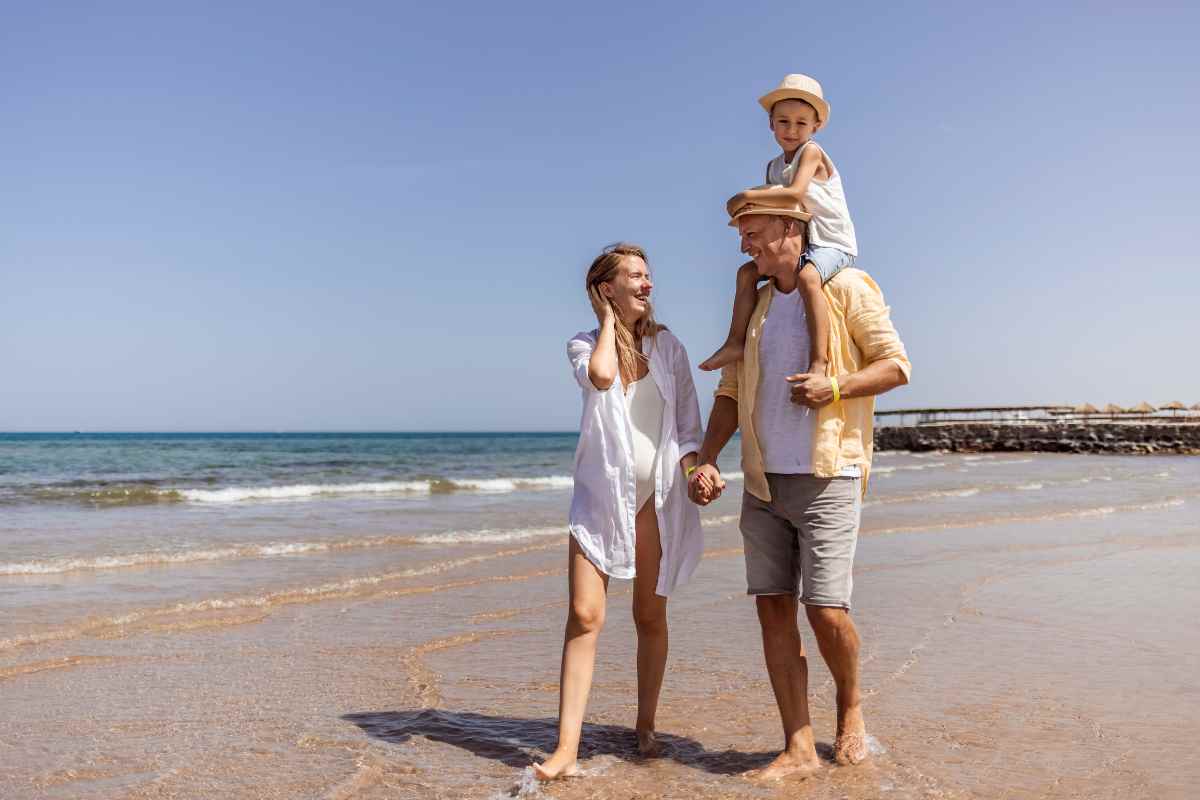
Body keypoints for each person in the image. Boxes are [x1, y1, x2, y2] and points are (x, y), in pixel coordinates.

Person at [689, 196, 910, 780]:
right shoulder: (757, 303)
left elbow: (896, 365)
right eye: (741, 235)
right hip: (762, 481)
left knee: (826, 610)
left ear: (790, 227)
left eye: (753, 233)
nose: (744, 245)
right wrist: (706, 459)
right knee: (771, 608)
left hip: (829, 473)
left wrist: (833, 388)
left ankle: (851, 707)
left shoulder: (847, 286)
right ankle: (798, 745)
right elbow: (732, 391)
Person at [535, 243, 706, 780]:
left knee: (649, 616)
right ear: (608, 288)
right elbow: (603, 376)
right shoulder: (583, 343)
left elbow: (687, 424)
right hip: (599, 502)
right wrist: (609, 321)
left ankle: (646, 726)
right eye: (634, 275)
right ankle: (567, 749)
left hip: (654, 501)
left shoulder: (668, 347)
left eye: (649, 274)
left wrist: (697, 469)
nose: (647, 282)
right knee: (585, 616)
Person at [701, 74, 858, 379]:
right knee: (746, 274)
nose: (792, 130)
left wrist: (746, 195)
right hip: (805, 241)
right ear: (771, 123)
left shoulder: (811, 152)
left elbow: (796, 194)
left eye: (801, 123)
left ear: (816, 127)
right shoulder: (773, 166)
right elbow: (777, 212)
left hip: (833, 242)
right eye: (784, 121)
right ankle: (735, 342)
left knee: (809, 278)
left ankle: (819, 362)